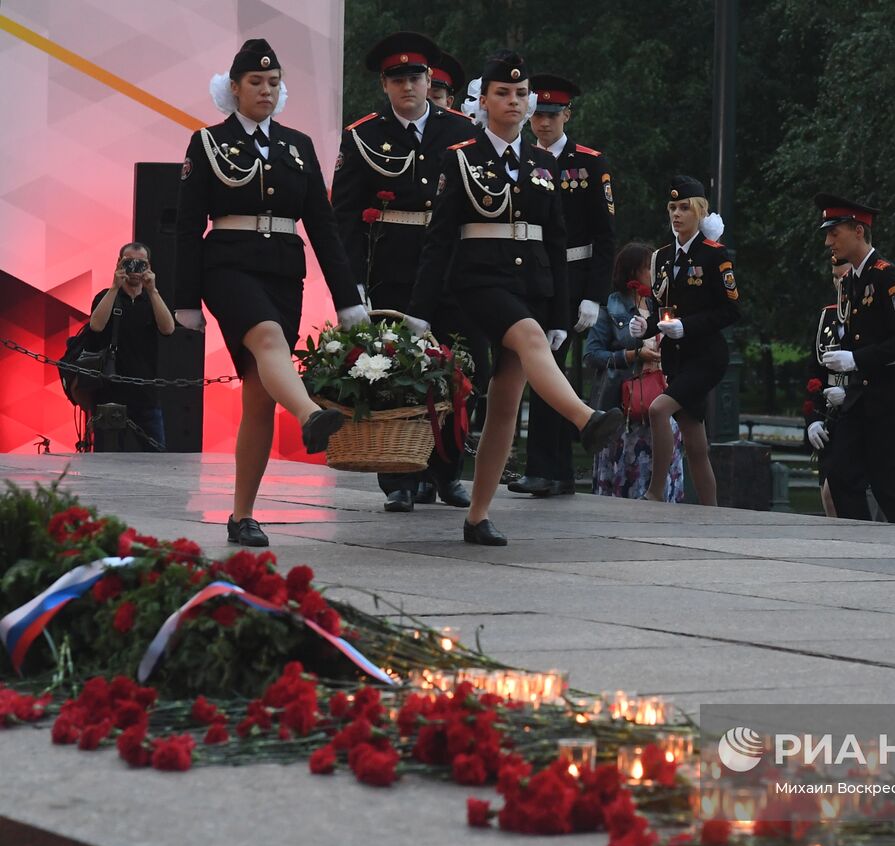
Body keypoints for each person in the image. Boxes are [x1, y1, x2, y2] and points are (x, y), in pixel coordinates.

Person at [410, 49, 623, 546]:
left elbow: (556, 244)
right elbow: (439, 241)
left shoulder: (543, 164)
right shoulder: (460, 158)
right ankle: (585, 420)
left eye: (520, 94)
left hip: (532, 286)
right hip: (478, 281)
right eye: (502, 93)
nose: (513, 101)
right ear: (483, 100)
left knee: (507, 402)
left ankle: (477, 515)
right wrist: (418, 313)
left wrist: (561, 313)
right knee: (526, 336)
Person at [174, 38, 362, 547]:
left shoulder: (297, 145)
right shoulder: (207, 142)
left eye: (273, 82)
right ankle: (310, 416)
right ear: (233, 88)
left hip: (283, 270)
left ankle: (241, 515)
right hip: (229, 266)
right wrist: (185, 301)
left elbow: (323, 227)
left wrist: (348, 299)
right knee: (268, 339)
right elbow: (188, 226)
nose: (265, 90)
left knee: (258, 399)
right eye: (255, 82)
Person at [332, 32, 476, 513]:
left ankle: (448, 471)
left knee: (457, 367)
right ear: (384, 84)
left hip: (452, 264)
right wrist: (349, 284)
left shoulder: (460, 129)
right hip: (389, 262)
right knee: (388, 370)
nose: (407, 87)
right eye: (397, 79)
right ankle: (397, 479)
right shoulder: (363, 135)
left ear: (429, 79)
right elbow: (344, 216)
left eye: (414, 77)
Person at [510, 73, 617, 498]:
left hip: (574, 277)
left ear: (567, 115)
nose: (544, 123)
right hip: (535, 274)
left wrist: (594, 295)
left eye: (553, 115)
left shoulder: (589, 162)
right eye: (539, 115)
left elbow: (605, 235)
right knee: (542, 370)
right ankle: (553, 472)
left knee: (551, 370)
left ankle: (549, 469)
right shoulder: (521, 159)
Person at [812, 193, 895, 527]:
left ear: (858, 231)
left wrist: (856, 360)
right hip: (863, 392)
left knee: (887, 483)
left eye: (835, 232)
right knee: (839, 471)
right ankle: (860, 536)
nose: (829, 241)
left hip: (891, 392)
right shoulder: (852, 281)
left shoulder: (887, 277)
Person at [626, 176, 736, 506]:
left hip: (706, 356)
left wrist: (687, 326)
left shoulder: (715, 256)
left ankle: (655, 493)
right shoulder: (662, 257)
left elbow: (731, 310)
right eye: (672, 208)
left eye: (684, 208)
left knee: (659, 410)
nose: (676, 214)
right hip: (678, 357)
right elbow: (661, 309)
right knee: (694, 439)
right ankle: (710, 510)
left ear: (700, 212)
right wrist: (643, 326)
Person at [585, 242, 684, 500]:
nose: (654, 273)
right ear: (632, 273)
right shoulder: (609, 309)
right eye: (647, 268)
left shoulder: (660, 306)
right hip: (626, 410)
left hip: (662, 397)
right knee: (625, 475)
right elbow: (592, 355)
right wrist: (633, 355)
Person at [87, 242, 176, 450]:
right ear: (119, 263)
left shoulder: (152, 299)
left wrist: (152, 291)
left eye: (141, 264)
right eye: (129, 263)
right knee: (107, 459)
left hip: (146, 393)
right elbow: (96, 325)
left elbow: (168, 328)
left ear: (149, 266)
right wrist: (114, 287)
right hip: (109, 394)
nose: (134, 270)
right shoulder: (107, 296)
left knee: (155, 454)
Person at [805, 257, 855, 518]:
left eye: (844, 277)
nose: (839, 283)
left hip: (861, 409)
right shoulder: (828, 316)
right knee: (828, 493)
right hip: (831, 414)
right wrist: (813, 419)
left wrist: (849, 395)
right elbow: (815, 373)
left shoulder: (870, 315)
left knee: (837, 489)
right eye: (836, 278)